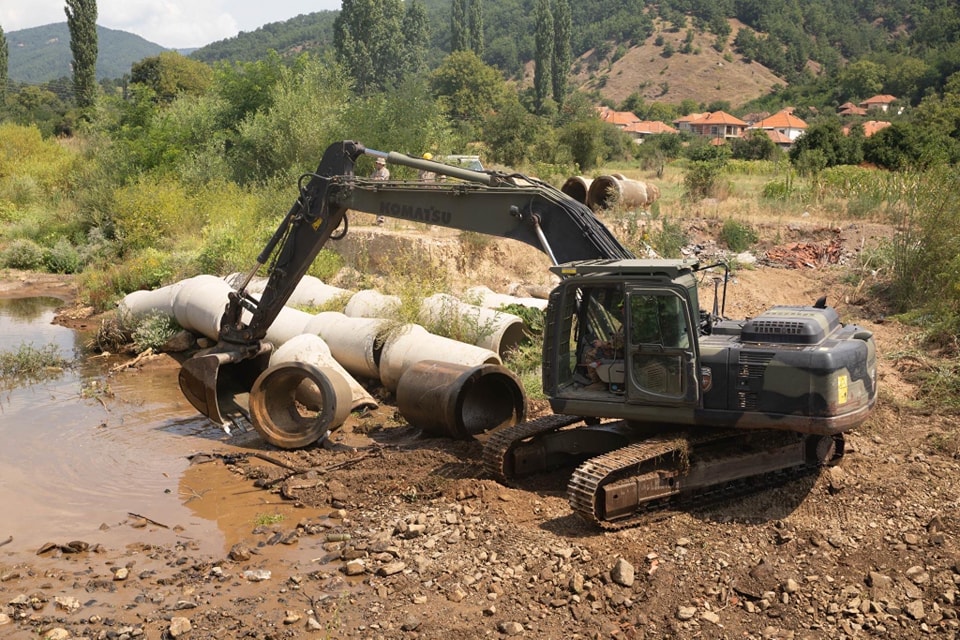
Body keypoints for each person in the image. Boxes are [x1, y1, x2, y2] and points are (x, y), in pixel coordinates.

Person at [371, 158, 390, 224]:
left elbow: (382, 179)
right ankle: (378, 220)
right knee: (377, 204)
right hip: (377, 189)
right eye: (377, 163)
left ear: (381, 164)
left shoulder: (385, 171)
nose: (377, 165)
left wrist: (375, 179)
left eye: (378, 163)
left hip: (383, 190)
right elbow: (371, 178)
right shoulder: (376, 171)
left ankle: (381, 220)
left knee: (382, 204)